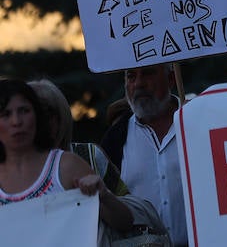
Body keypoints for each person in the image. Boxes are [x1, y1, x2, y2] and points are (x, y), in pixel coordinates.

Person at [26, 79, 165, 239]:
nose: (40, 121)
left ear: (61, 116)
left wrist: (103, 197)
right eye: (32, 113)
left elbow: (128, 210)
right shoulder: (9, 170)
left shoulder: (88, 155)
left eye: (47, 112)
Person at [0, 79, 134, 233]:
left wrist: (104, 196)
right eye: (5, 114)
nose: (16, 121)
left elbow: (125, 223)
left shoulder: (68, 166)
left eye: (24, 110)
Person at [99, 64, 188, 246]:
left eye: (148, 73)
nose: (138, 84)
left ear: (171, 79)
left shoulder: (199, 123)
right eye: (131, 76)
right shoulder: (114, 139)